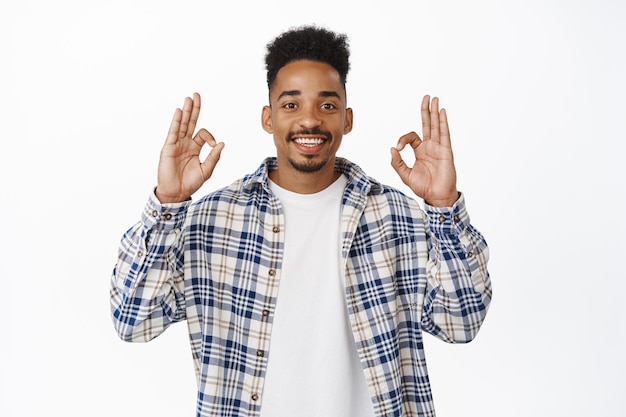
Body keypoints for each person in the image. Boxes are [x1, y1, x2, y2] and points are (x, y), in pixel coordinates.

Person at [110, 25, 492, 417]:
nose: (309, 121)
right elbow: (134, 321)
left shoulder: (398, 218)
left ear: (347, 118)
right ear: (268, 117)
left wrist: (444, 208)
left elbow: (459, 324)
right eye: (291, 105)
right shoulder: (211, 220)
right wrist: (169, 204)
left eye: (327, 105)